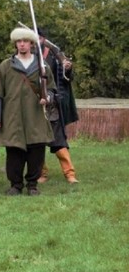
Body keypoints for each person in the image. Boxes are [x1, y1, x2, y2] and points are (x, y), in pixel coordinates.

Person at [0, 27, 56, 196]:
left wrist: (47, 97)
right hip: (13, 115)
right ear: (15, 44)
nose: (22, 44)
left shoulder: (42, 66)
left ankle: (32, 185)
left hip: (36, 115)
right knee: (14, 151)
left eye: (25, 41)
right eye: (19, 41)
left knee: (36, 150)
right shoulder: (6, 66)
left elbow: (51, 90)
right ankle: (16, 185)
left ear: (32, 43)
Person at [37, 28, 79, 184]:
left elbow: (66, 78)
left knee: (59, 142)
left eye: (39, 37)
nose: (37, 41)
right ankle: (41, 173)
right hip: (35, 105)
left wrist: (67, 67)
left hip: (53, 104)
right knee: (37, 142)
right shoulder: (29, 56)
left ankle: (70, 174)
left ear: (44, 39)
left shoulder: (54, 55)